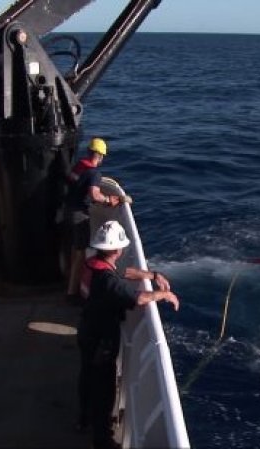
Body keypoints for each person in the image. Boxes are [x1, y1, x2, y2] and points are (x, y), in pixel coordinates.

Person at [76, 220, 179, 449]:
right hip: (101, 340)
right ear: (117, 250)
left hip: (86, 331)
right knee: (104, 390)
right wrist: (163, 295)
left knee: (87, 378)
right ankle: (102, 440)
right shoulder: (108, 281)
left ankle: (83, 419)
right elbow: (138, 298)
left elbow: (125, 272)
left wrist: (153, 274)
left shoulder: (93, 264)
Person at [64, 137, 121, 305]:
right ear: (101, 156)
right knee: (80, 253)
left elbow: (72, 181)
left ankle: (68, 282)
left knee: (73, 250)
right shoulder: (95, 173)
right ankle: (72, 294)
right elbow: (95, 196)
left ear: (89, 151)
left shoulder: (79, 165)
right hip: (79, 214)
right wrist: (109, 200)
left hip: (67, 210)